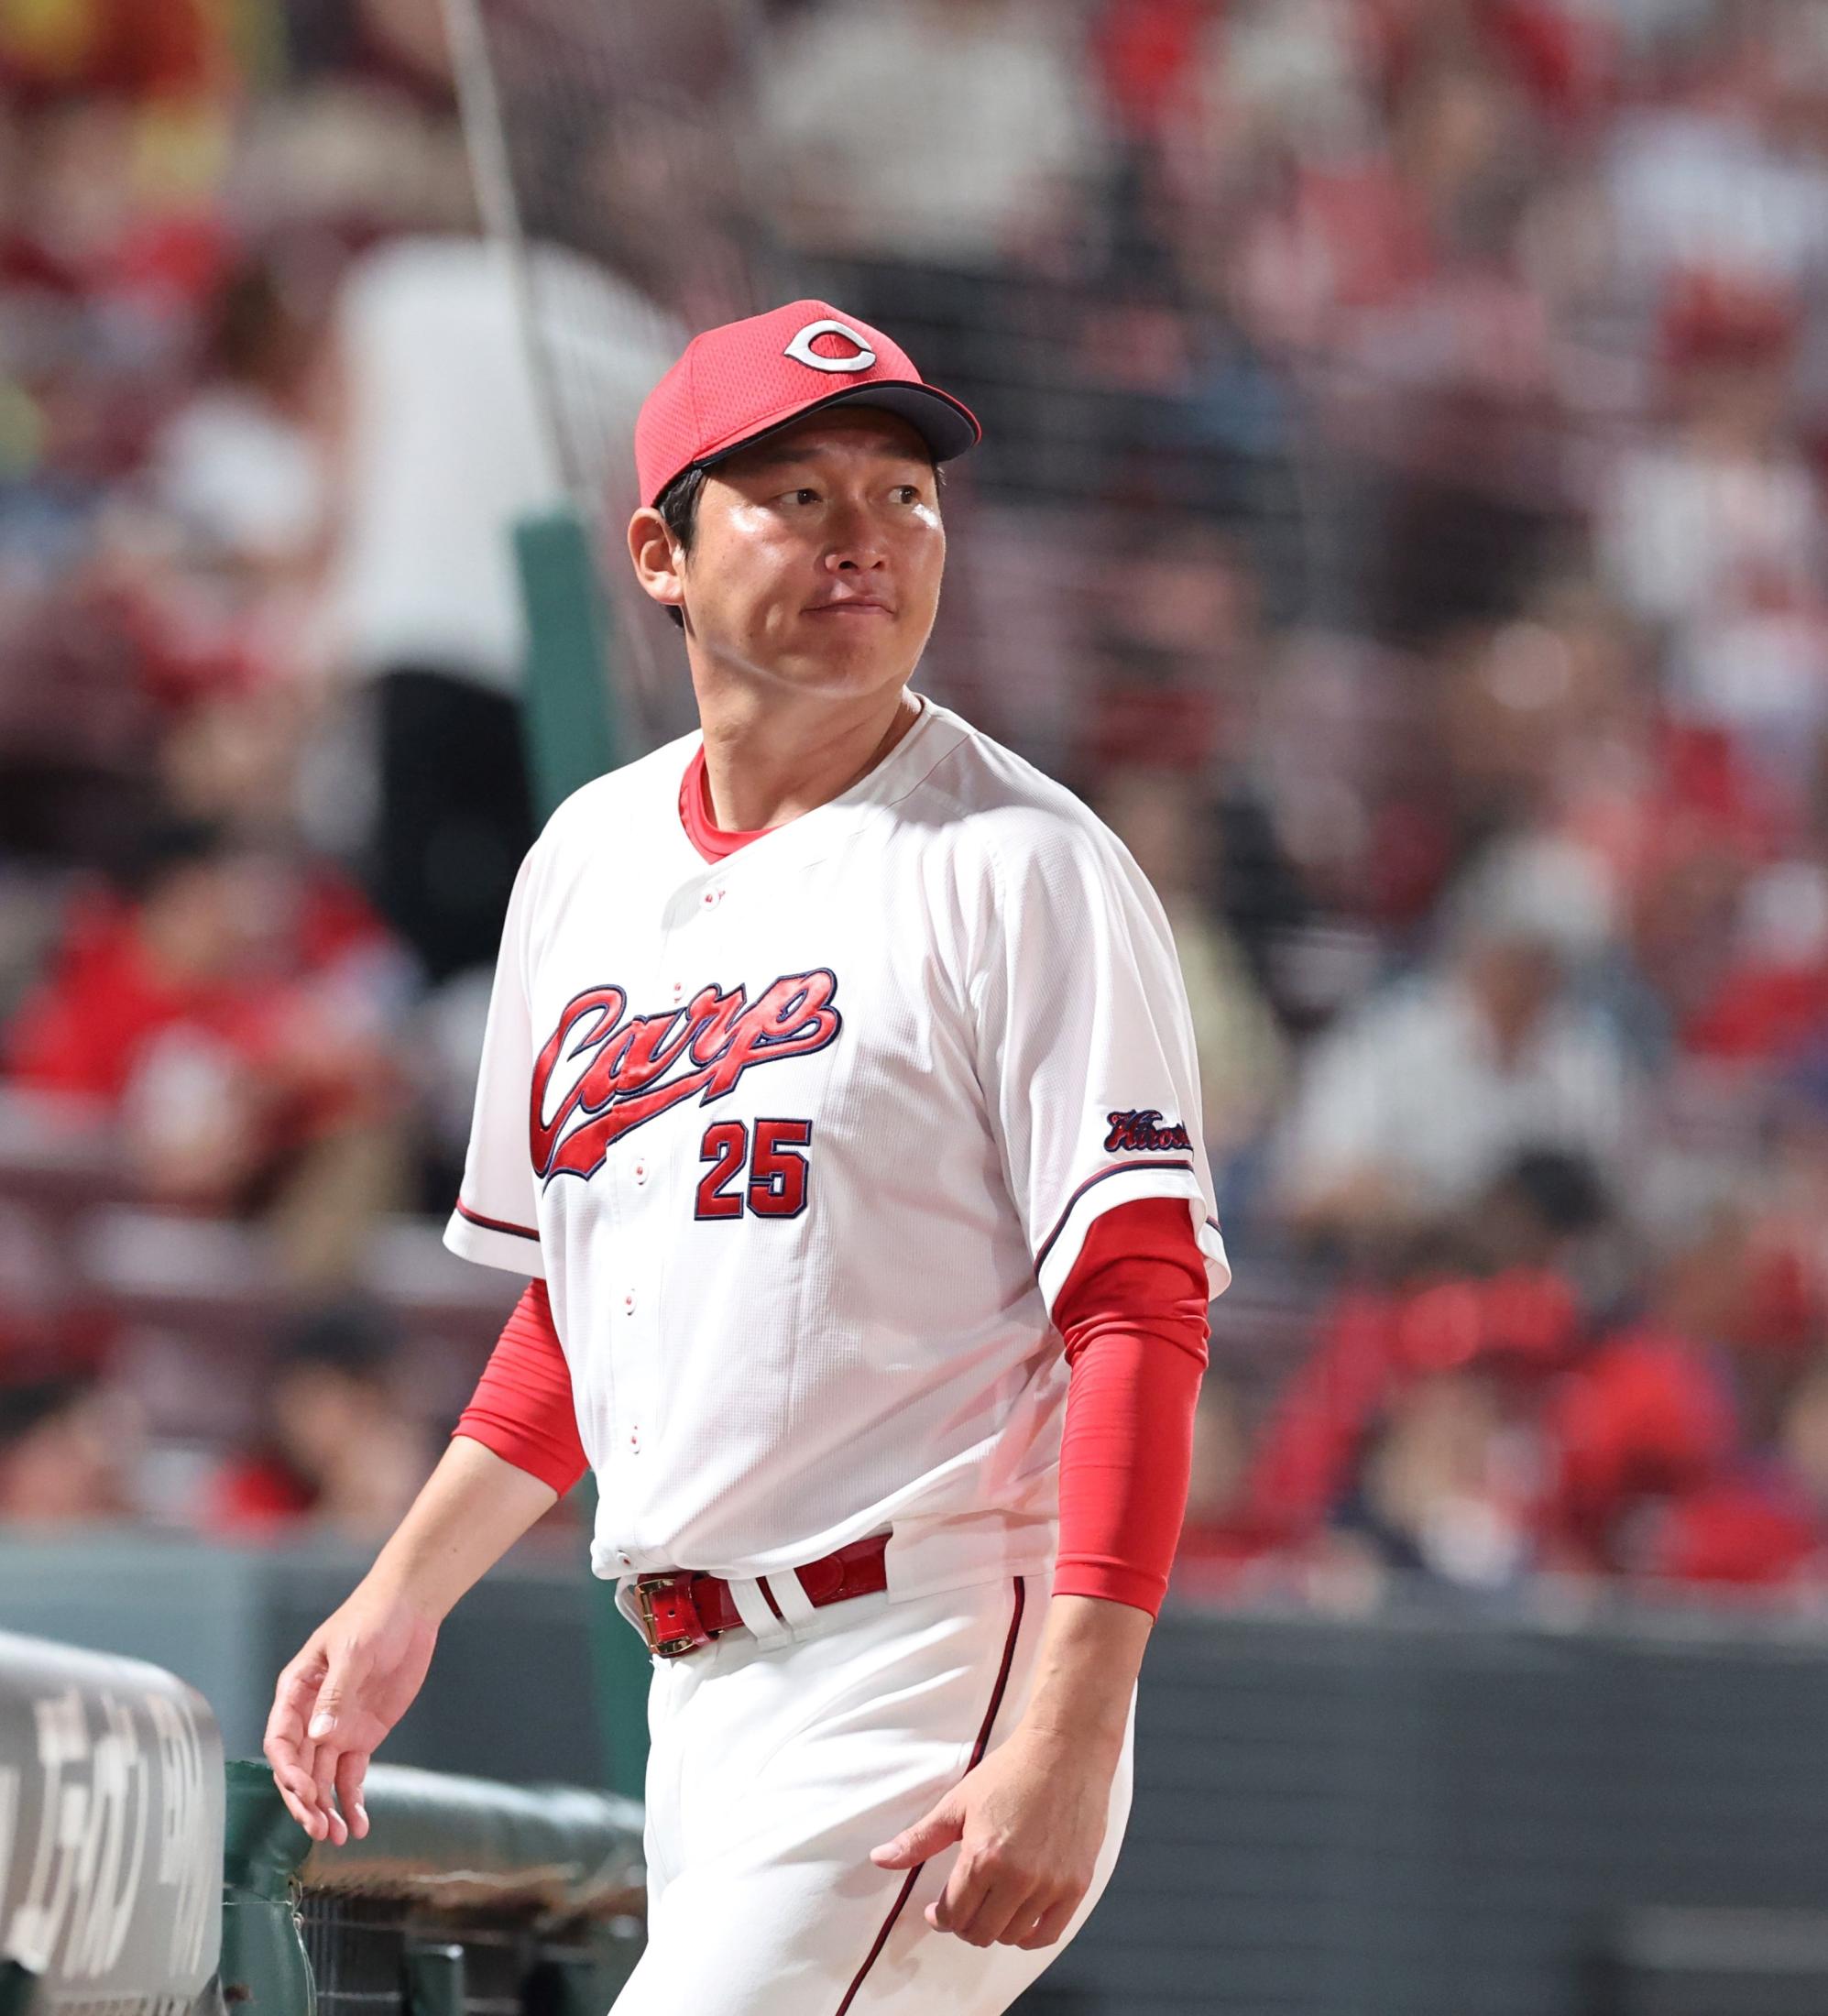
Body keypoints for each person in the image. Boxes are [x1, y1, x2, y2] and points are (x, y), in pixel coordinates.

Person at [263, 301, 1230, 2013]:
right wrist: (403, 1597)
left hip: (930, 1657)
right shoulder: (588, 857)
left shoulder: (1022, 864)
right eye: (799, 495)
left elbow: (1140, 1309)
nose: (870, 536)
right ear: (661, 553)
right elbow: (585, 1311)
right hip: (699, 1694)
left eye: (904, 493)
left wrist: (1073, 1727)